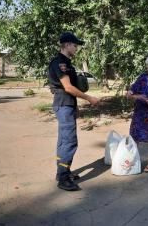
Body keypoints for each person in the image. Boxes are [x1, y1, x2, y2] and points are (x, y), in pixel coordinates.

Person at [48, 32, 100, 191]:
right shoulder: (59, 63)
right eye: (75, 45)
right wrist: (89, 98)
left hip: (67, 104)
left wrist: (75, 105)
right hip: (63, 103)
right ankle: (63, 178)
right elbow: (68, 87)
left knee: (64, 140)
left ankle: (63, 171)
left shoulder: (67, 63)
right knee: (69, 141)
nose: (76, 48)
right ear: (67, 45)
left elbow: (70, 89)